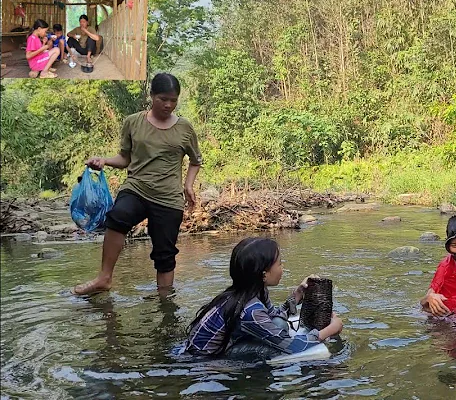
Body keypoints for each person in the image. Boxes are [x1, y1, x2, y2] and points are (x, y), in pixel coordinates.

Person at [71, 73, 203, 296]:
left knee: (165, 253)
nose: (168, 105)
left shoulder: (185, 128)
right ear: (151, 96)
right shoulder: (133, 122)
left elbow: (196, 161)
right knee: (118, 217)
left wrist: (189, 185)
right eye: (163, 99)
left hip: (168, 197)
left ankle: (165, 299)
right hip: (137, 188)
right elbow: (124, 159)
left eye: (173, 100)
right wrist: (103, 161)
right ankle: (104, 278)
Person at [184, 237, 344, 360]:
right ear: (264, 274)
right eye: (280, 264)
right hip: (204, 362)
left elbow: (273, 317)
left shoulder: (253, 291)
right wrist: (331, 329)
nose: (283, 268)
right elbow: (293, 346)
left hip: (225, 345)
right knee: (276, 349)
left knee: (279, 323)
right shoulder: (250, 311)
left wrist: (296, 297)